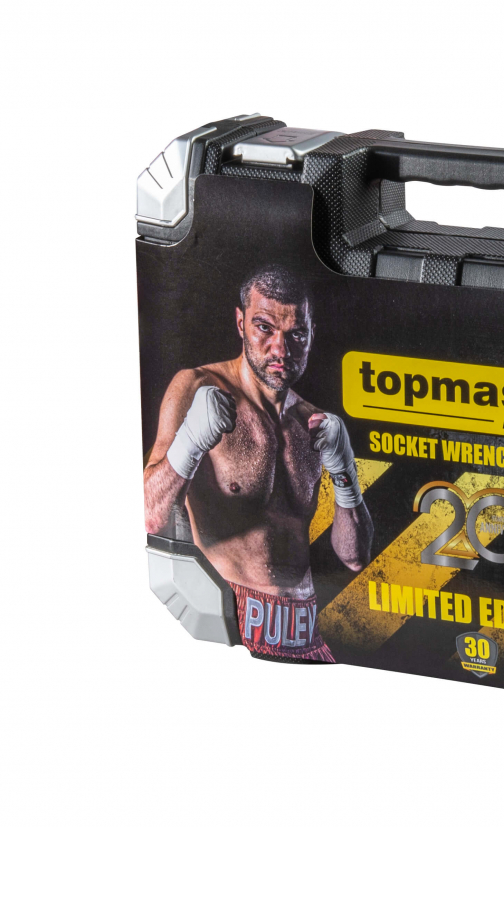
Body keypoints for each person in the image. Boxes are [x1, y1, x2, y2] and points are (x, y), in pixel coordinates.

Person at [143, 264, 372, 661]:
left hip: (307, 633)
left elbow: (354, 558)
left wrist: (345, 473)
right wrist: (189, 442)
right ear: (240, 323)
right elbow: (149, 515)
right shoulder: (196, 387)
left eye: (295, 334)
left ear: (311, 334)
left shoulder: (313, 424)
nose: (280, 350)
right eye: (264, 328)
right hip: (227, 626)